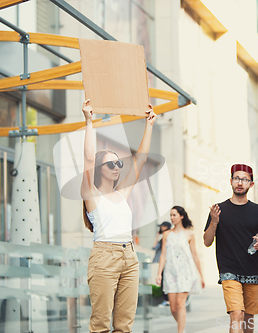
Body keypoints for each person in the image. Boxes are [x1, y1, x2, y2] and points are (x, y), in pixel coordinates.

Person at [81, 99, 157, 333]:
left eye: (118, 163)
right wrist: (89, 121)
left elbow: (141, 159)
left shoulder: (122, 193)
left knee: (124, 326)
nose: (116, 167)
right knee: (101, 325)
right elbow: (89, 159)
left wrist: (150, 125)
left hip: (129, 257)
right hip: (104, 257)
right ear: (99, 170)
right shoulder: (90, 194)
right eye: (110, 163)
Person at [203, 164, 258, 333]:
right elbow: (207, 241)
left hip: (252, 271)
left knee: (248, 319)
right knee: (237, 314)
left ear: (251, 184)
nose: (240, 183)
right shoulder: (219, 209)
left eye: (245, 180)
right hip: (229, 271)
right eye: (237, 179)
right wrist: (214, 222)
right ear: (231, 181)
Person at [156, 206, 205, 333]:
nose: (172, 218)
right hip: (170, 273)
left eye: (174, 215)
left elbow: (195, 255)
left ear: (181, 216)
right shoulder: (166, 234)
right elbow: (163, 255)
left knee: (179, 304)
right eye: (170, 215)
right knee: (173, 308)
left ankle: (180, 331)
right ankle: (182, 327)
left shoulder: (189, 234)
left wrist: (201, 276)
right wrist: (159, 273)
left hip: (185, 272)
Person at [152, 221, 172, 306]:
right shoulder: (162, 237)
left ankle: (168, 300)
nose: (161, 228)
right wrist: (157, 236)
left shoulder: (169, 236)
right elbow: (154, 247)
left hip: (167, 262)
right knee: (163, 280)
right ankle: (167, 300)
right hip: (163, 262)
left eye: (162, 227)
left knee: (166, 280)